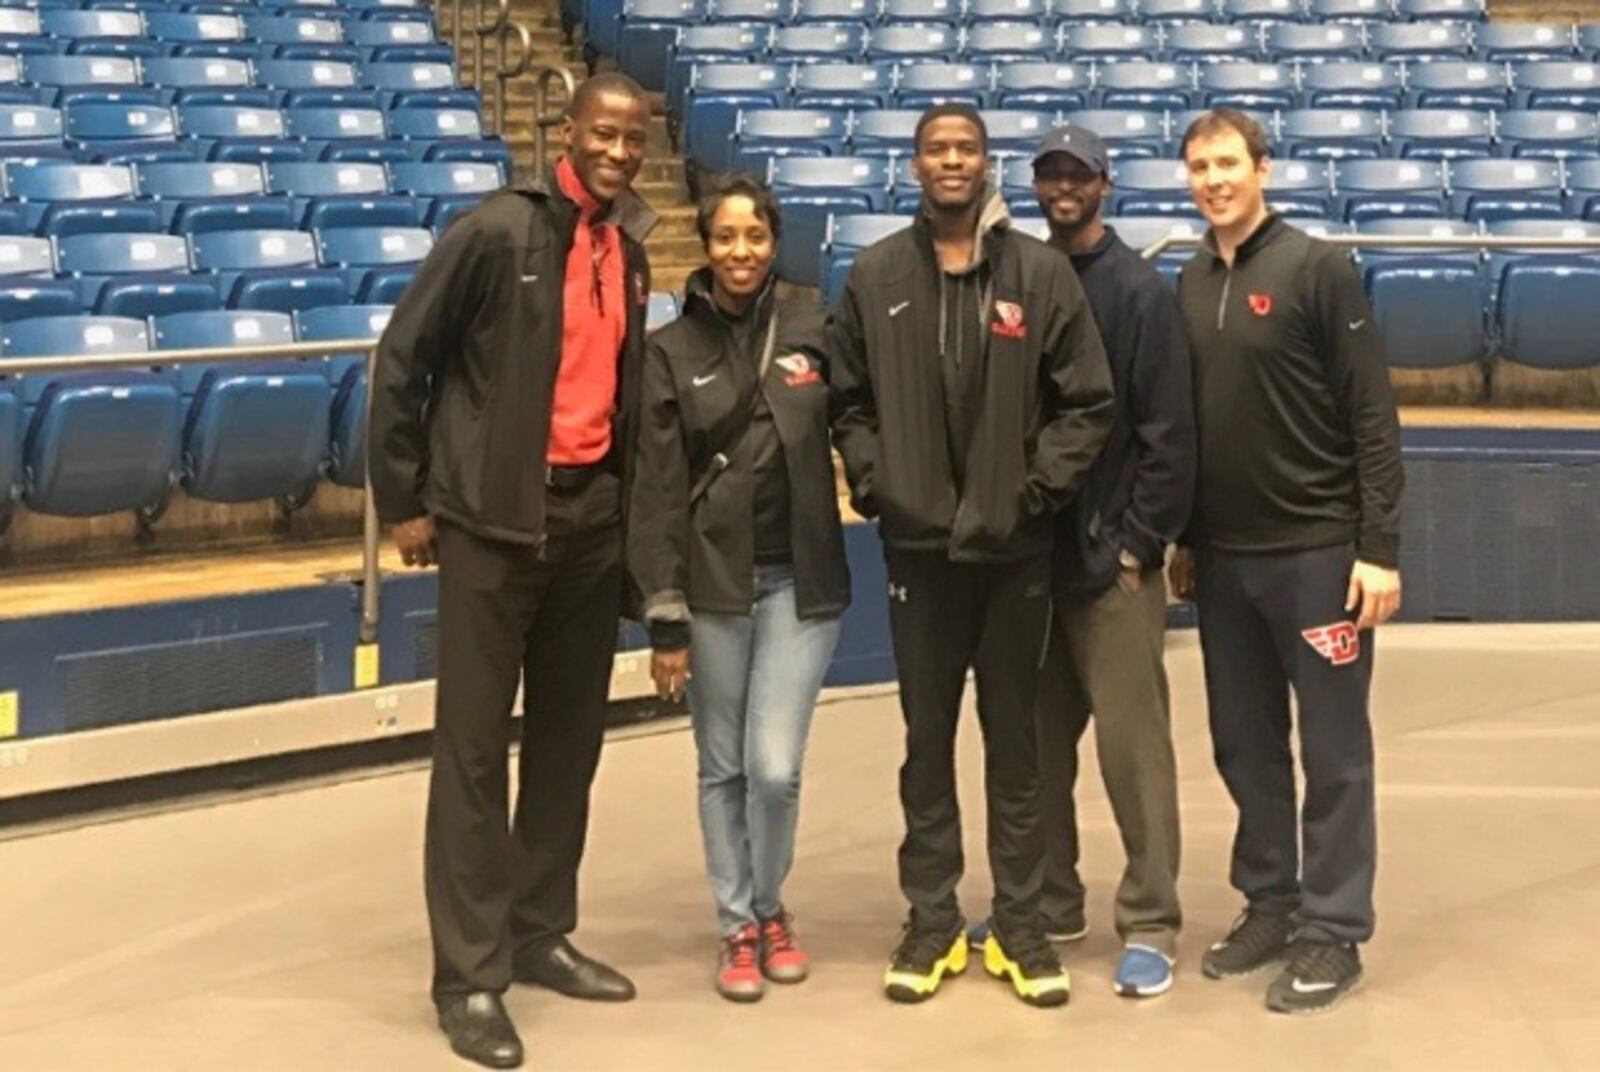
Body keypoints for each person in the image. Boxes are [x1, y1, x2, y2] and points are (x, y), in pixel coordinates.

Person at [369, 72, 656, 1069]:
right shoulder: (497, 231)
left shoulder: (630, 253)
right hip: (492, 526)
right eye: (602, 133)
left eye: (633, 137)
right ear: (567, 134)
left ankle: (538, 933)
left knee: (570, 743)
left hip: (588, 525)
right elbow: (404, 357)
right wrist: (404, 495)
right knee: (474, 755)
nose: (618, 150)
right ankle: (469, 975)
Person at [829, 103, 1115, 1009]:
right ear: (915, 166)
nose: (952, 161)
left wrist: (1032, 495)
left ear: (987, 166)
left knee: (1018, 748)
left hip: (1016, 554)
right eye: (936, 149)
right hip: (918, 554)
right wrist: (880, 483)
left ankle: (1022, 927)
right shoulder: (876, 277)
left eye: (967, 149)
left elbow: (1088, 404)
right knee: (926, 745)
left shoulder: (1039, 274)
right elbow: (848, 401)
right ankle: (932, 917)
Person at [1171, 108, 1404, 1014]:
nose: (1214, 179)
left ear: (1261, 168)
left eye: (1228, 162)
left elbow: (1372, 420)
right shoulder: (1188, 280)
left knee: (1335, 751)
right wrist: (1189, 540)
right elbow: (1195, 427)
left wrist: (1377, 550)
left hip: (1317, 554)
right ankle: (1271, 903)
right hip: (1225, 560)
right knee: (1246, 746)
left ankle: (1334, 928)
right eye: (1199, 166)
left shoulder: (1317, 270)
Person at [628, 175, 850, 1003]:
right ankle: (739, 926)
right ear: (706, 245)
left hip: (801, 578)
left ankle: (771, 902)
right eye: (724, 238)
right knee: (722, 766)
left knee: (774, 765)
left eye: (754, 237)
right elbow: (653, 487)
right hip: (711, 587)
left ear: (774, 240)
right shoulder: (669, 349)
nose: (740, 253)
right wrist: (663, 610)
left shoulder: (813, 326)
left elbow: (860, 415)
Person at [1018, 124, 1196, 998]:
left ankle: (1153, 921)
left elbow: (1169, 438)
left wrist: (1138, 544)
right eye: (1049, 174)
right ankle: (1053, 902)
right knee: (1041, 752)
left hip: (1113, 567)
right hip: (1034, 565)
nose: (1062, 188)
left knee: (1133, 753)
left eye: (1077, 175)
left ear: (1104, 183)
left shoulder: (1138, 292)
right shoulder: (1023, 279)